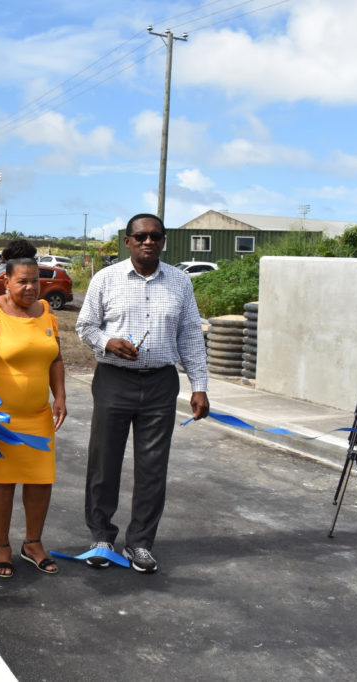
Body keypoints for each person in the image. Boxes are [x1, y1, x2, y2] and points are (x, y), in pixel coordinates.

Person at [76, 213, 209, 574]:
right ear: (128, 241)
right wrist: (109, 342)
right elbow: (85, 326)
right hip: (114, 381)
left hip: (161, 384)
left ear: (164, 241)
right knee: (104, 463)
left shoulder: (180, 282)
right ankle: (101, 537)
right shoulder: (106, 279)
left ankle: (140, 544)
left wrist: (199, 387)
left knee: (152, 468)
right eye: (141, 236)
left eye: (156, 236)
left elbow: (191, 337)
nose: (149, 242)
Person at [0, 240, 67, 578]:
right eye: (22, 281)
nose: (30, 287)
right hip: (0, 418)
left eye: (35, 281)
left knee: (41, 481)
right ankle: (1, 547)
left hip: (38, 415)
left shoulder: (45, 311)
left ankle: (33, 543)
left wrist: (61, 398)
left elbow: (55, 358)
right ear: (6, 281)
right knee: (2, 482)